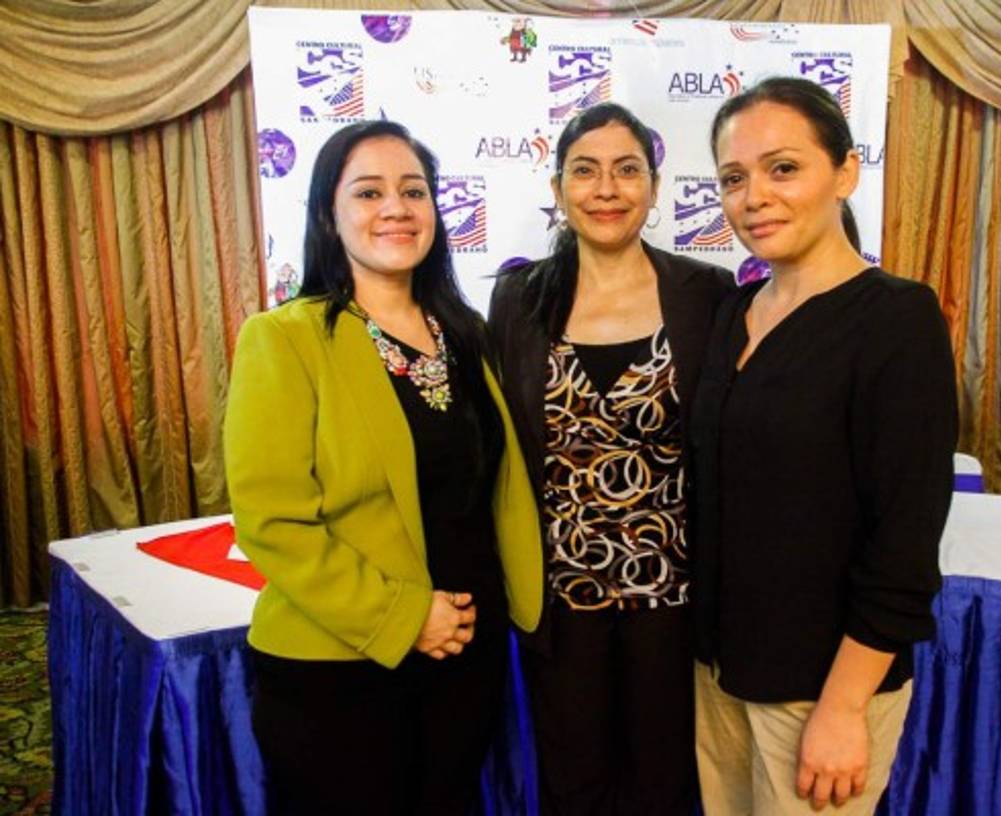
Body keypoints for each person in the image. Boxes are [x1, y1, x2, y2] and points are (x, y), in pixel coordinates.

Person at [223, 120, 542, 815]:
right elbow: (273, 523)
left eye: (414, 191)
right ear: (328, 216)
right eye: (369, 192)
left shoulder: (466, 333)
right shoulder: (284, 339)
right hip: (342, 668)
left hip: (467, 655)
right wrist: (405, 617)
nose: (396, 208)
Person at [690, 77, 958, 815]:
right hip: (719, 673)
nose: (754, 197)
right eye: (733, 179)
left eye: (783, 168)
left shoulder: (896, 320)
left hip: (820, 691)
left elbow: (905, 539)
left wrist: (842, 708)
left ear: (845, 173)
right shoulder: (734, 312)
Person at [487, 102, 733, 816]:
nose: (606, 189)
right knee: (574, 787)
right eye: (585, 171)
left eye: (627, 170)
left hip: (674, 602)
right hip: (562, 603)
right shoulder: (518, 298)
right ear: (558, 188)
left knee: (666, 787)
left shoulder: (707, 294)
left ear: (654, 187)